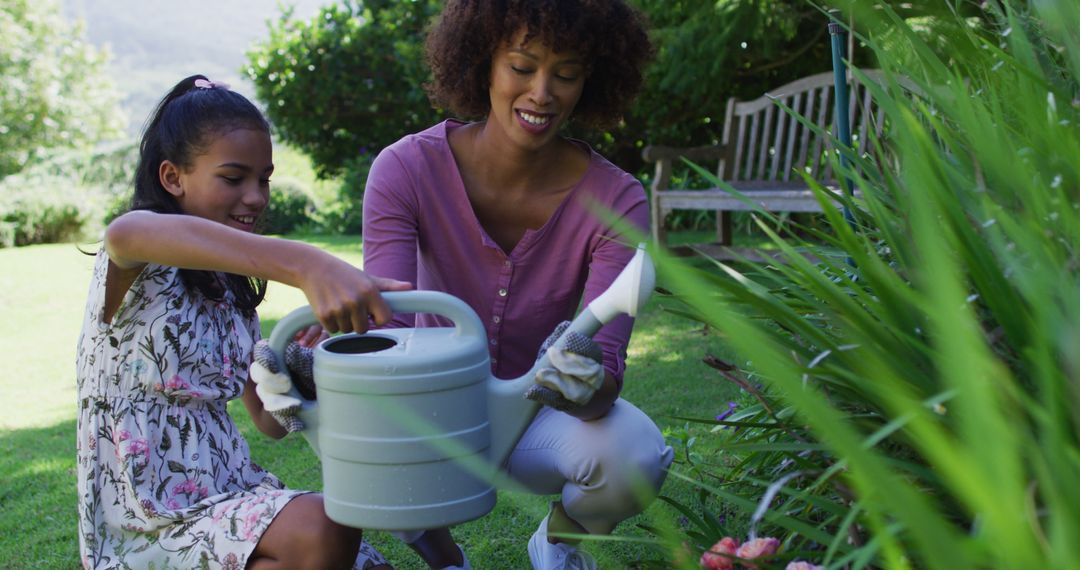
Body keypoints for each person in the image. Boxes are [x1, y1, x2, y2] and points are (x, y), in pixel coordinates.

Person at [361, 2, 675, 569]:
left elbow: (605, 376)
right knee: (371, 429)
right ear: (484, 62)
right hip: (436, 410)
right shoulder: (405, 170)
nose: (543, 92)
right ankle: (446, 560)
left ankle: (558, 543)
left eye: (567, 73)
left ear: (590, 81)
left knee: (635, 454)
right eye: (522, 66)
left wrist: (582, 375)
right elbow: (389, 337)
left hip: (543, 419)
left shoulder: (617, 200)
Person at [75, 75, 411, 569]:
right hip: (145, 516)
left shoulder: (233, 293)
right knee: (322, 526)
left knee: (344, 552)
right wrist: (304, 262)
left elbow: (268, 422)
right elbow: (124, 232)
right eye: (234, 178)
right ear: (173, 178)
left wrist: (301, 370)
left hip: (229, 493)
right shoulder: (138, 260)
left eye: (264, 179)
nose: (255, 196)